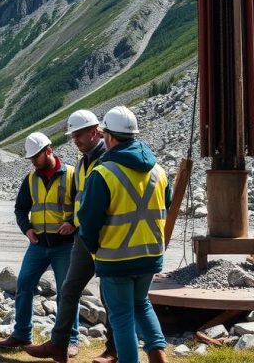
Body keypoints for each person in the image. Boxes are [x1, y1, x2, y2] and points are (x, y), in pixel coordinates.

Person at [77, 106, 171, 363]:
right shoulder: (159, 172)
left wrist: (95, 248)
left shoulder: (103, 173)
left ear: (108, 136)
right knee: (141, 304)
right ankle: (157, 354)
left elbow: (88, 220)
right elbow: (167, 206)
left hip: (115, 258)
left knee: (121, 318)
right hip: (151, 255)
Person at [25, 110, 116, 363]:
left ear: (95, 131)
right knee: (69, 289)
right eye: (73, 135)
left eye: (79, 135)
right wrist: (76, 224)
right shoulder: (83, 161)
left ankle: (113, 350)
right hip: (84, 238)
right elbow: (80, 200)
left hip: (107, 238)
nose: (75, 139)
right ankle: (59, 344)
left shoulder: (108, 159)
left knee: (109, 296)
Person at [0, 132, 77, 350]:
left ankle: (70, 340)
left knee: (67, 293)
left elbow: (84, 206)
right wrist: (27, 229)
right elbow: (20, 209)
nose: (32, 162)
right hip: (38, 244)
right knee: (24, 285)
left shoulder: (71, 175)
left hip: (65, 246)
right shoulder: (31, 179)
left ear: (48, 150)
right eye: (30, 158)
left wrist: (73, 223)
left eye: (35, 157)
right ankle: (22, 334)